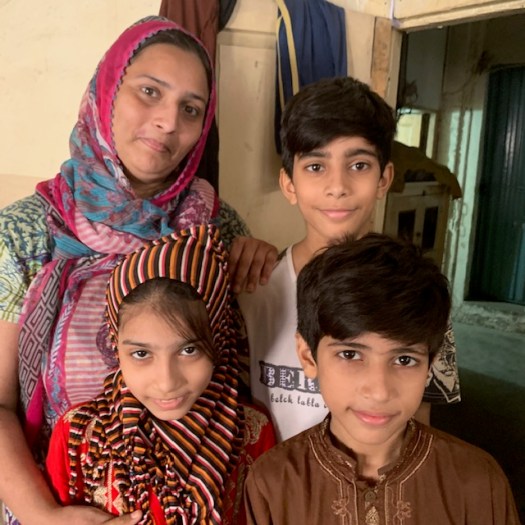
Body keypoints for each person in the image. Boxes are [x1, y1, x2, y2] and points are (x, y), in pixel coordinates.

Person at [0, 16, 276, 525]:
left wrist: (261, 262)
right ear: (106, 93)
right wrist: (43, 515)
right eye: (150, 92)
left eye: (190, 109)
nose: (169, 121)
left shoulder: (217, 226)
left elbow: (236, 372)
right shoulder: (25, 233)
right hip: (58, 497)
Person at [238, 77, 460, 442]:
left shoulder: (416, 292)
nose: (338, 186)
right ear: (289, 184)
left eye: (358, 165)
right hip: (275, 476)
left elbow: (419, 424)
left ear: (384, 178)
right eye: (316, 167)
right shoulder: (255, 287)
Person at [244, 233, 520, 525]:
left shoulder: (477, 482)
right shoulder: (271, 482)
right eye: (350, 354)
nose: (379, 391)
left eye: (404, 360)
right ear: (308, 357)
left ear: (430, 365)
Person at [46, 224, 275, 525]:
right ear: (116, 346)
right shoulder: (79, 435)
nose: (167, 382)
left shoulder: (251, 432)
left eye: (189, 350)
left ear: (218, 339)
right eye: (141, 354)